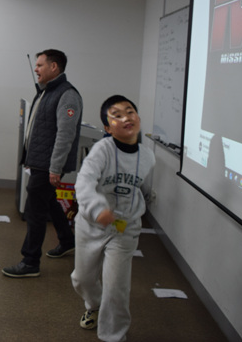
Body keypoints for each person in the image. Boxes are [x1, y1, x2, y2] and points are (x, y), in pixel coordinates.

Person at [70, 95, 156, 341]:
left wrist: (140, 207)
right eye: (116, 115)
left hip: (125, 228)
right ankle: (94, 304)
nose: (126, 117)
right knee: (82, 279)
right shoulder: (102, 150)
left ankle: (113, 335)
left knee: (116, 287)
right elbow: (84, 181)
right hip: (92, 225)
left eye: (130, 112)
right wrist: (98, 209)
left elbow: (141, 188)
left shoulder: (148, 157)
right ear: (107, 128)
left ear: (138, 118)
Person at [2, 49, 82, 278]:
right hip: (40, 161)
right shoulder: (46, 91)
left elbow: (65, 135)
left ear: (53, 67)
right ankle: (67, 240)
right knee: (48, 201)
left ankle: (30, 261)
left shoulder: (67, 94)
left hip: (48, 164)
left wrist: (55, 168)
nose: (35, 69)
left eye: (40, 65)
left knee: (34, 210)